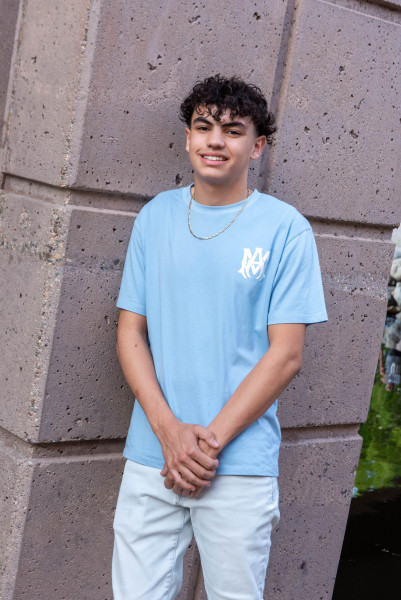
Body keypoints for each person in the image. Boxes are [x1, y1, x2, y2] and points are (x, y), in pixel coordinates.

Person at [112, 74, 328, 600]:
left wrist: (205, 446)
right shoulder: (155, 217)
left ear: (257, 147)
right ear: (188, 137)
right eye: (204, 127)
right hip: (153, 456)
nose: (215, 140)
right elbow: (131, 332)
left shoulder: (286, 229)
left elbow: (286, 355)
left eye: (233, 131)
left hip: (238, 464)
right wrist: (169, 434)